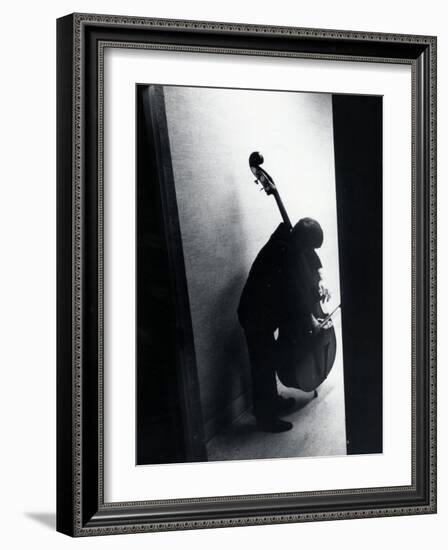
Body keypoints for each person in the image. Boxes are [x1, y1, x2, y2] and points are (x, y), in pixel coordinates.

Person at [237, 217, 330, 433]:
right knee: (263, 365)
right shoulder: (283, 252)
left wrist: (321, 276)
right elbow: (295, 293)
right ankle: (265, 418)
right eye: (308, 246)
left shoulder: (292, 236)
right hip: (255, 314)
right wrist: (310, 319)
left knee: (269, 358)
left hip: (268, 311)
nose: (309, 251)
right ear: (301, 241)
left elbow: (310, 255)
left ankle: (271, 400)